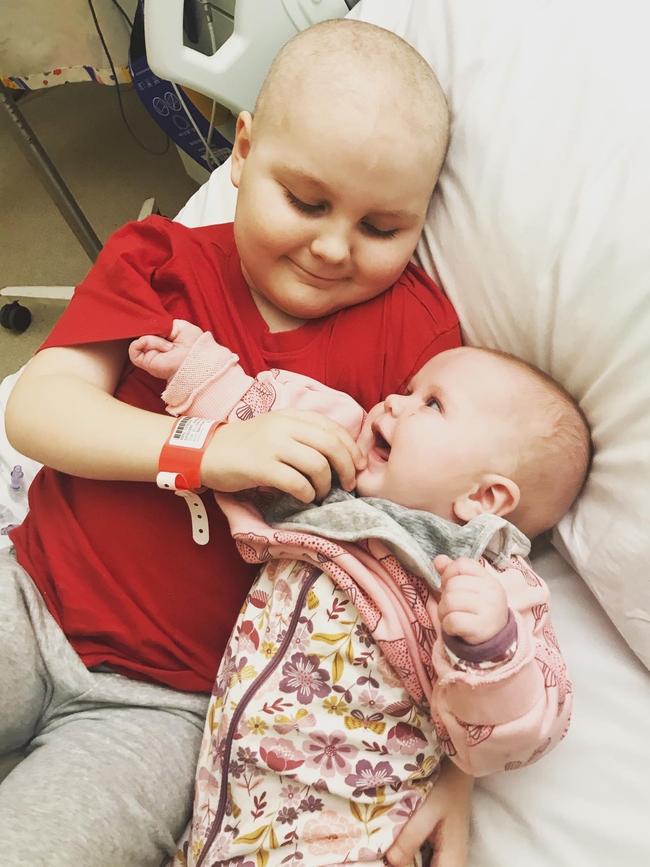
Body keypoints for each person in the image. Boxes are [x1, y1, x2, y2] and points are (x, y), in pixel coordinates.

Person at [1, 19, 464, 867]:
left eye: (382, 227)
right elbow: (41, 408)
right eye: (308, 202)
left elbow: (463, 549)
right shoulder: (162, 262)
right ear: (243, 151)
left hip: (164, 711)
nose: (332, 247)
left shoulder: (415, 339)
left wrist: (462, 772)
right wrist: (208, 449)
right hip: (29, 595)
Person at [129, 322, 591, 867]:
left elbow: (529, 728)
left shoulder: (491, 584)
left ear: (483, 495)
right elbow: (279, 413)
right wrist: (199, 371)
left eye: (433, 405)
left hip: (352, 833)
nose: (394, 402)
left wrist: (493, 652)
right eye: (409, 388)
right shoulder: (347, 466)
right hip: (223, 823)